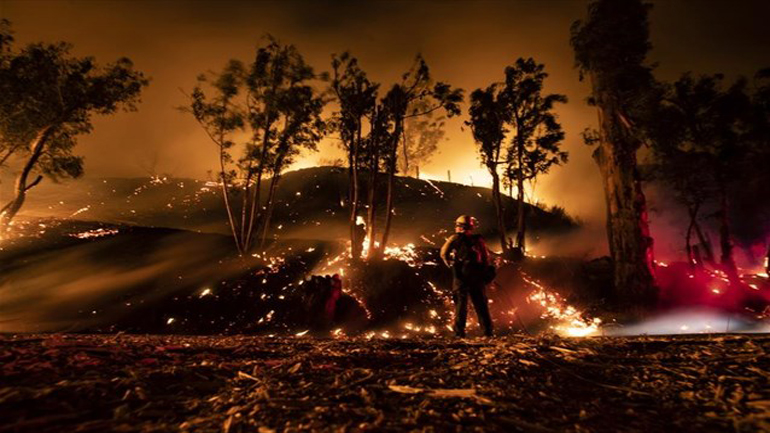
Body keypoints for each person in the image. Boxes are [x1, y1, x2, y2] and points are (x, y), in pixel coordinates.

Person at [440, 215, 494, 337]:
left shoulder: (454, 238)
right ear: (471, 227)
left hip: (461, 276)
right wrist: (485, 273)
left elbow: (443, 254)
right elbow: (485, 258)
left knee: (461, 306)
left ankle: (459, 334)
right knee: (481, 305)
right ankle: (488, 332)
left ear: (459, 226)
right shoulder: (478, 240)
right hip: (477, 276)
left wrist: (451, 265)